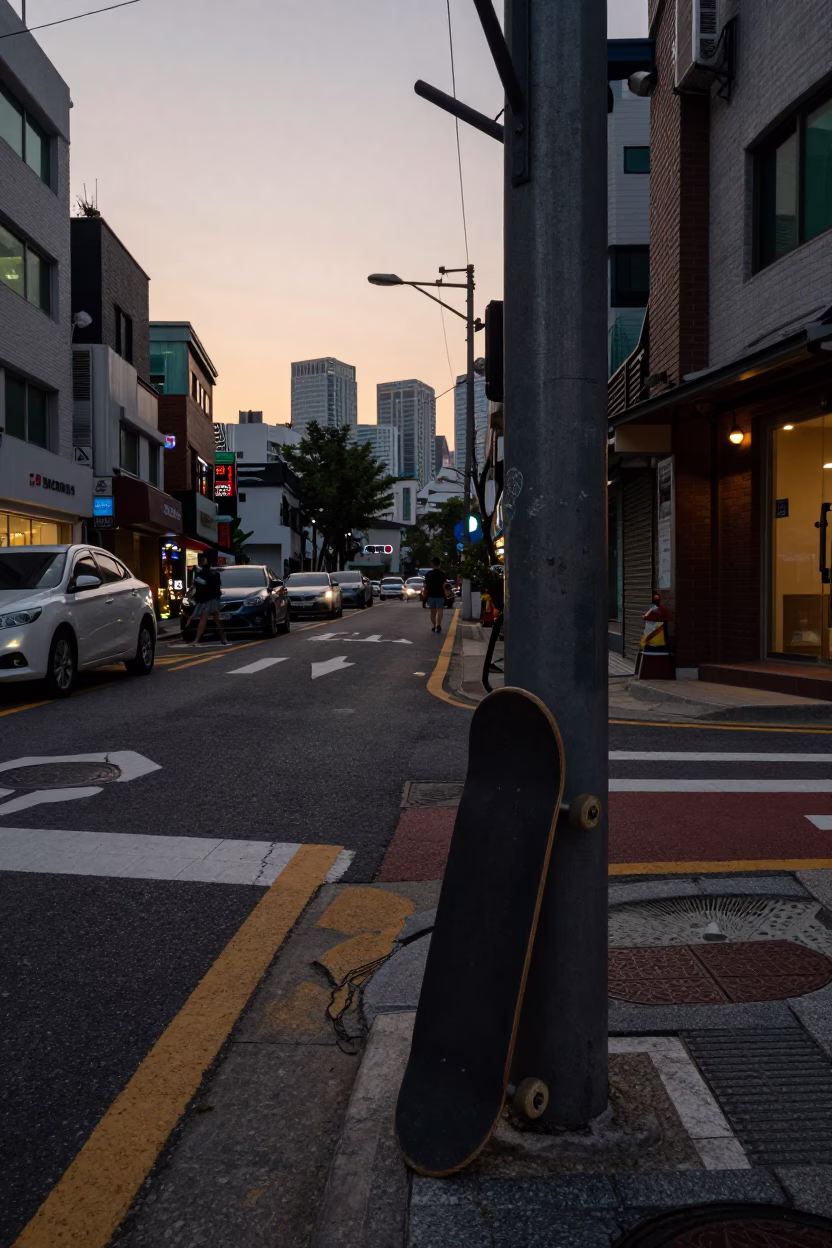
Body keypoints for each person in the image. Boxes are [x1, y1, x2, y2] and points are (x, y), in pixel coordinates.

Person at [190, 553, 227, 645]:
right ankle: (223, 638)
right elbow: (217, 586)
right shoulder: (214, 574)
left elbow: (197, 585)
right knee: (216, 619)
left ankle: (197, 640)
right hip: (212, 599)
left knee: (206, 619)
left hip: (207, 599)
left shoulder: (202, 574)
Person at [424, 556, 449, 634]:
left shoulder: (428, 574)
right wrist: (447, 594)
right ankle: (438, 625)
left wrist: (425, 595)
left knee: (433, 611)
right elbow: (445, 585)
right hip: (440, 595)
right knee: (440, 610)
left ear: (432, 564)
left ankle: (434, 626)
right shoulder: (442, 574)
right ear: (439, 564)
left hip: (431, 595)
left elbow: (426, 586)